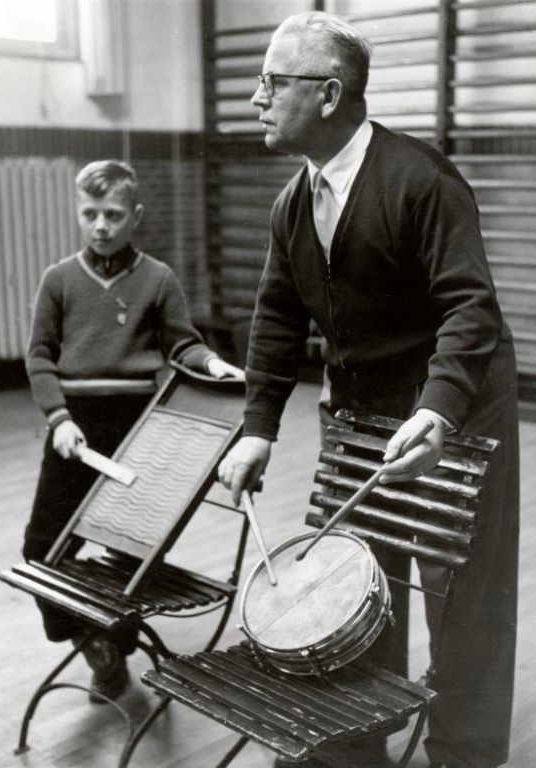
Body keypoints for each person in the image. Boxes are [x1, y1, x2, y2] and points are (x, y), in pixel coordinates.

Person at [218, 12, 519, 768]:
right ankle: (352, 744)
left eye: (270, 83)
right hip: (359, 417)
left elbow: (470, 307)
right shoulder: (297, 199)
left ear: (326, 94)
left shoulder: (421, 179)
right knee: (352, 578)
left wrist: (437, 410)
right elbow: (277, 316)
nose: (256, 98)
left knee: (463, 603)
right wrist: (258, 426)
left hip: (452, 418)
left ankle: (464, 754)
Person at [24, 159, 243, 703]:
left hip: (141, 427)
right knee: (40, 549)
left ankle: (114, 636)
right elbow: (39, 358)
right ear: (79, 212)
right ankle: (94, 638)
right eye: (90, 213)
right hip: (74, 430)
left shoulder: (158, 278)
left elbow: (182, 344)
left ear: (135, 216)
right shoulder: (59, 279)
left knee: (129, 552)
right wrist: (59, 419)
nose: (101, 225)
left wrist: (212, 363)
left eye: (114, 214)